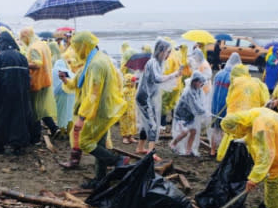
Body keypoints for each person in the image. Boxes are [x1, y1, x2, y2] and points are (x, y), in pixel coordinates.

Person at [58, 31, 127, 187]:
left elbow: (93, 94)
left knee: (85, 142)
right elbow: (77, 83)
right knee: (99, 144)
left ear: (84, 45)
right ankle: (100, 180)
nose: (75, 51)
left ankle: (118, 161)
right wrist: (65, 79)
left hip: (99, 110)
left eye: (76, 47)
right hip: (101, 109)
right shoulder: (94, 60)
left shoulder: (96, 64)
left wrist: (81, 118)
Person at [0, 30, 33, 155]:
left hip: (3, 94)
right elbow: (28, 77)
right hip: (21, 94)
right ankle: (18, 145)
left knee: (1, 118)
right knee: (19, 118)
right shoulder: (22, 57)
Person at [134, 38, 184, 157]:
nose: (167, 56)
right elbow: (157, 79)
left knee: (146, 123)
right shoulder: (153, 63)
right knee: (153, 124)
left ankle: (140, 147)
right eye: (167, 52)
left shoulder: (156, 62)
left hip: (146, 96)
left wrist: (175, 76)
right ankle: (151, 153)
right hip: (144, 97)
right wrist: (174, 75)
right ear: (160, 51)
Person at [19, 27, 59, 143]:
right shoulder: (42, 44)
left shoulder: (34, 48)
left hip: (37, 82)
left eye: (23, 38)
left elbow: (37, 64)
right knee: (41, 107)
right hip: (46, 79)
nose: (23, 41)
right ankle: (53, 127)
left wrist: (23, 64)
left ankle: (35, 138)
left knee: (34, 110)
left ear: (26, 37)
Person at [209, 52, 241, 156]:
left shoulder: (219, 74)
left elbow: (213, 90)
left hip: (215, 105)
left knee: (215, 128)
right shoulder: (234, 78)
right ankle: (222, 152)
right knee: (225, 129)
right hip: (226, 106)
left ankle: (212, 150)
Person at [171, 71, 209, 157]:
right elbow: (194, 105)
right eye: (199, 82)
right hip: (182, 115)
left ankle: (188, 150)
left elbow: (200, 103)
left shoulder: (198, 90)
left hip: (190, 115)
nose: (201, 84)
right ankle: (173, 143)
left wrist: (204, 111)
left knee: (193, 131)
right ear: (194, 82)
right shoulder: (188, 92)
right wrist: (204, 112)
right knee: (184, 132)